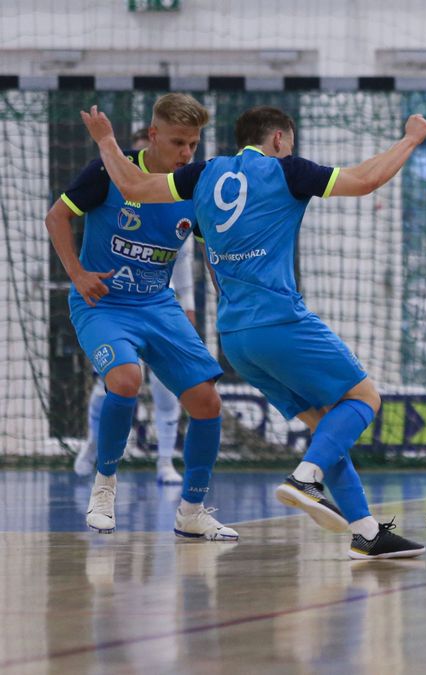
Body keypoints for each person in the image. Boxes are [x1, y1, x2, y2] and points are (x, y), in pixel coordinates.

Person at [81, 103, 426, 559]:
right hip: (280, 321)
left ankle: (365, 531)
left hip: (236, 338)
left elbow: (132, 184)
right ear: (280, 140)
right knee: (364, 398)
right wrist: (411, 138)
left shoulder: (205, 173)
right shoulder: (287, 170)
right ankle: (305, 479)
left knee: (328, 429)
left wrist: (106, 139)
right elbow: (367, 179)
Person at [49, 94, 234, 541]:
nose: (187, 154)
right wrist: (77, 273)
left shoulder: (195, 185)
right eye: (178, 143)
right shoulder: (108, 171)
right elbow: (56, 217)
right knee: (126, 379)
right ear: (153, 136)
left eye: (193, 145)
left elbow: (210, 253)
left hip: (158, 305)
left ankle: (191, 511)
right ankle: (104, 488)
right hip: (104, 304)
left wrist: (228, 295)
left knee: (208, 402)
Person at [74, 127, 197, 486]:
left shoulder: (179, 198)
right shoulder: (114, 193)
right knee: (113, 382)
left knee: (167, 385)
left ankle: (164, 463)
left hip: (160, 304)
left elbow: (186, 258)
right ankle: (93, 445)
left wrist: (188, 306)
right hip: (116, 304)